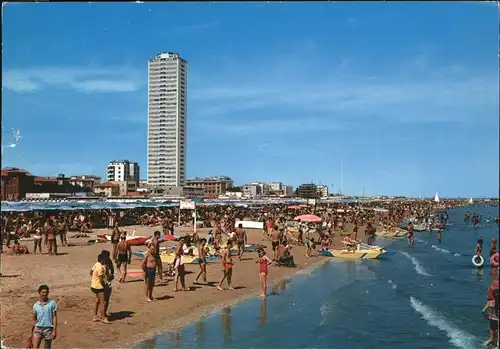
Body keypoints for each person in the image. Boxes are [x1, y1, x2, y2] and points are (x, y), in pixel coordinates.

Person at [30, 284, 58, 349]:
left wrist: (54, 331)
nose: (45, 294)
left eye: (46, 292)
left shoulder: (52, 303)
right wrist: (31, 332)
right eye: (43, 292)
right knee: (35, 347)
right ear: (39, 293)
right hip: (38, 329)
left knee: (47, 347)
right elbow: (34, 319)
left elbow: (55, 317)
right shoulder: (35, 305)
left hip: (48, 329)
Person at [90, 253, 110, 323]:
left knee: (97, 301)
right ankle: (103, 317)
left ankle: (95, 316)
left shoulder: (96, 264)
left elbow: (91, 272)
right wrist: (105, 286)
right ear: (103, 260)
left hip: (93, 285)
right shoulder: (100, 267)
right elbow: (101, 280)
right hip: (99, 287)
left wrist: (94, 278)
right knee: (102, 302)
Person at [100, 250, 114, 318]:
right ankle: (102, 314)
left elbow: (112, 271)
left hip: (107, 281)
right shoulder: (101, 264)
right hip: (104, 282)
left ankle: (103, 313)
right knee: (105, 300)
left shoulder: (107, 262)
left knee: (105, 299)